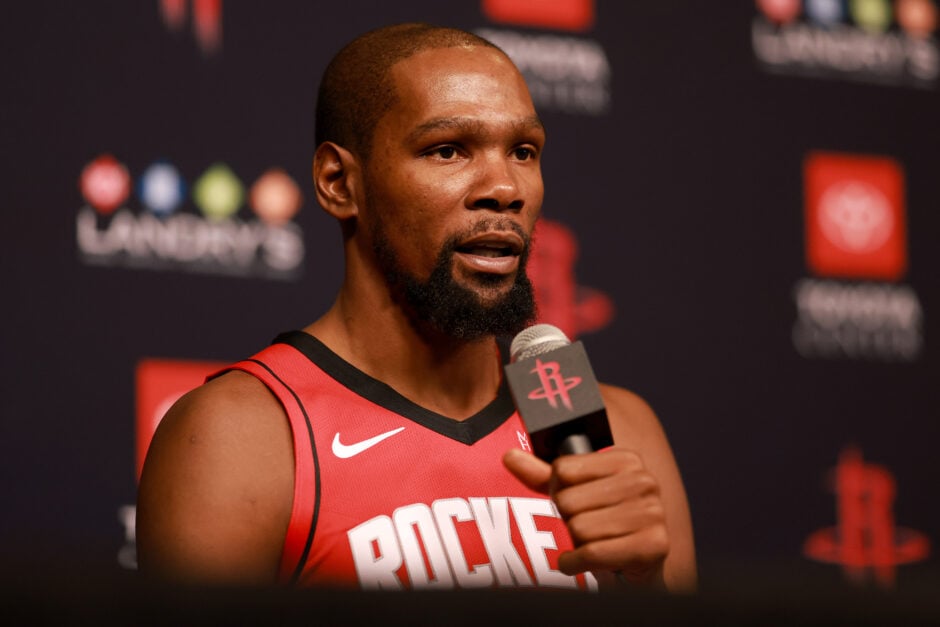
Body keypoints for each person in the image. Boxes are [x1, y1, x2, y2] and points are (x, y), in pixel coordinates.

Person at [137, 22, 696, 592]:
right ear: (338, 182)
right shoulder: (241, 436)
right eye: (447, 150)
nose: (505, 188)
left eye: (523, 151)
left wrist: (645, 583)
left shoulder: (619, 432)